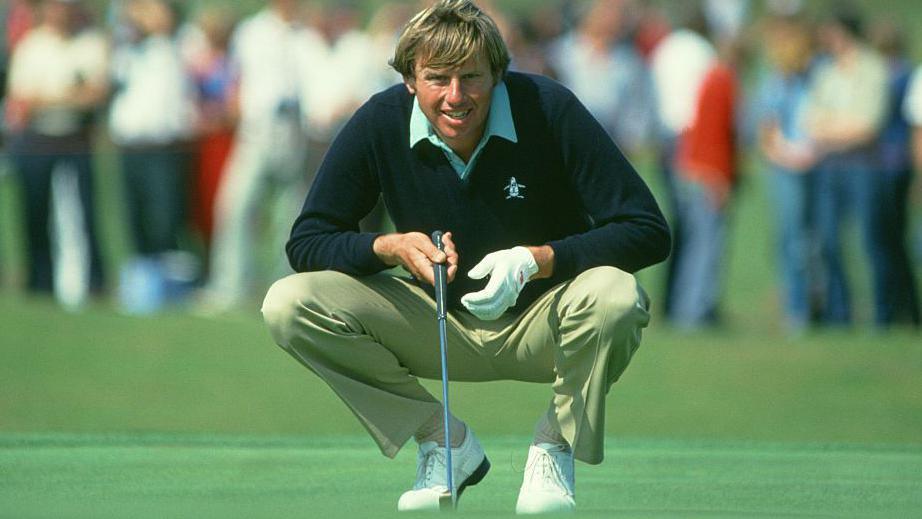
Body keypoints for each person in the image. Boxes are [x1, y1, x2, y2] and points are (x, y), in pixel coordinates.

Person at [261, 0, 670, 513]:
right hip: (433, 324)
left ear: (497, 73)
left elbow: (647, 230)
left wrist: (537, 259)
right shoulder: (380, 121)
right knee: (288, 303)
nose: (456, 97)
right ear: (410, 78)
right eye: (437, 78)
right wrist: (387, 247)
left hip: (547, 322)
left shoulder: (549, 108)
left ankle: (555, 446)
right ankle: (443, 442)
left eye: (472, 77)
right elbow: (307, 242)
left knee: (616, 295)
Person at [4, 0, 108, 306]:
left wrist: (52, 97)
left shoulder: (89, 43)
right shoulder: (32, 46)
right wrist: (66, 96)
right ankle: (39, 282)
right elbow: (22, 100)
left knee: (82, 213)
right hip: (38, 140)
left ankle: (90, 284)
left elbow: (94, 93)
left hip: (75, 138)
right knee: (35, 213)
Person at [806, 6, 889, 326]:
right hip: (831, 165)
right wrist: (841, 127)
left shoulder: (872, 68)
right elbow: (812, 119)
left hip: (863, 166)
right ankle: (840, 314)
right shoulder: (826, 71)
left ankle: (882, 315)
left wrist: (833, 128)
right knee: (828, 240)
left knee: (870, 241)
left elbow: (868, 126)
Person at [756, 12, 820, 333]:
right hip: (786, 169)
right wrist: (788, 154)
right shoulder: (775, 83)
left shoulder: (813, 78)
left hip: (815, 164)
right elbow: (766, 133)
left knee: (813, 240)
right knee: (792, 240)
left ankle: (815, 303)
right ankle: (796, 308)